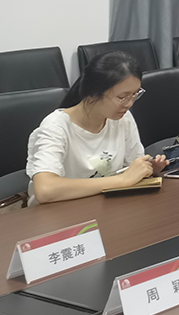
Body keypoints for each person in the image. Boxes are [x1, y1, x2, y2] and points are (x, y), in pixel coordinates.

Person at [25, 52, 167, 205]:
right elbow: (45, 190)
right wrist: (122, 180)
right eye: (122, 97)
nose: (129, 104)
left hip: (104, 205)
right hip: (60, 210)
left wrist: (147, 169)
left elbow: (132, 167)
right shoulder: (56, 127)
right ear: (93, 94)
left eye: (135, 94)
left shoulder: (122, 118)